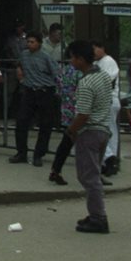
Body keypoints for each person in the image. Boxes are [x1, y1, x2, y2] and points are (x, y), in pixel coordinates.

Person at [65, 40, 114, 234]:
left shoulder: (86, 82)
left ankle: (98, 218)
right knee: (92, 175)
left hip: (89, 132)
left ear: (80, 59)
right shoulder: (102, 76)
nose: (71, 61)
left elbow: (83, 114)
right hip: (103, 129)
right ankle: (95, 214)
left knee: (89, 177)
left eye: (72, 57)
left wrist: (71, 130)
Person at [11, 32, 59, 167]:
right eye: (28, 42)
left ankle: (39, 154)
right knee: (21, 121)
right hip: (29, 90)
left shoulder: (46, 57)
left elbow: (56, 72)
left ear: (39, 43)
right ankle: (21, 152)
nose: (30, 44)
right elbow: (19, 64)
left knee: (45, 124)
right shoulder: (24, 55)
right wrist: (19, 71)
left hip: (45, 91)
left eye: (32, 42)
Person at [46, 55, 83, 187]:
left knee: (66, 142)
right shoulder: (82, 73)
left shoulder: (64, 71)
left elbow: (58, 89)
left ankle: (56, 170)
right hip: (79, 111)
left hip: (67, 110)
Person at [92, 43, 124, 177]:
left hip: (108, 99)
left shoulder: (109, 61)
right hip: (101, 100)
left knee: (109, 130)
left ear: (102, 48)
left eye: (94, 49)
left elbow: (107, 80)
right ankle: (106, 160)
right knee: (104, 130)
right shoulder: (97, 62)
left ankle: (112, 159)